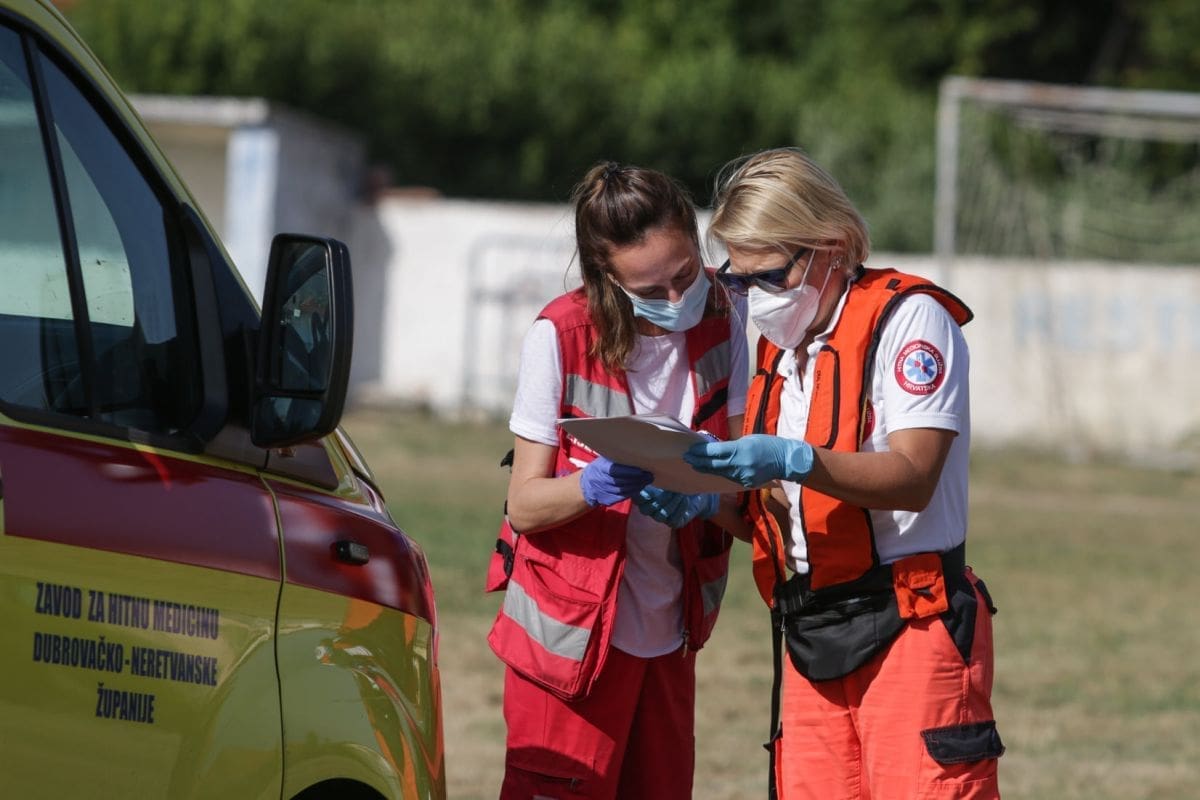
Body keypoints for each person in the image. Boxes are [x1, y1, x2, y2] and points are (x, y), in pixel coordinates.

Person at [671, 147, 1004, 798]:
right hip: (810, 631)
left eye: (767, 276)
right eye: (738, 281)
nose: (754, 299)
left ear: (833, 247)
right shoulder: (776, 352)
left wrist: (796, 458)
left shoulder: (909, 321)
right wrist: (704, 502)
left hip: (910, 623)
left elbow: (913, 474)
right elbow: (786, 521)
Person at [484, 161, 751, 800]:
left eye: (684, 274)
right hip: (568, 646)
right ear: (606, 275)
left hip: (669, 636)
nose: (673, 299)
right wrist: (594, 485)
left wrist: (705, 496)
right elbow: (524, 506)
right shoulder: (560, 334)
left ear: (695, 233)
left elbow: (747, 510)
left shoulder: (731, 317)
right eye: (647, 287)